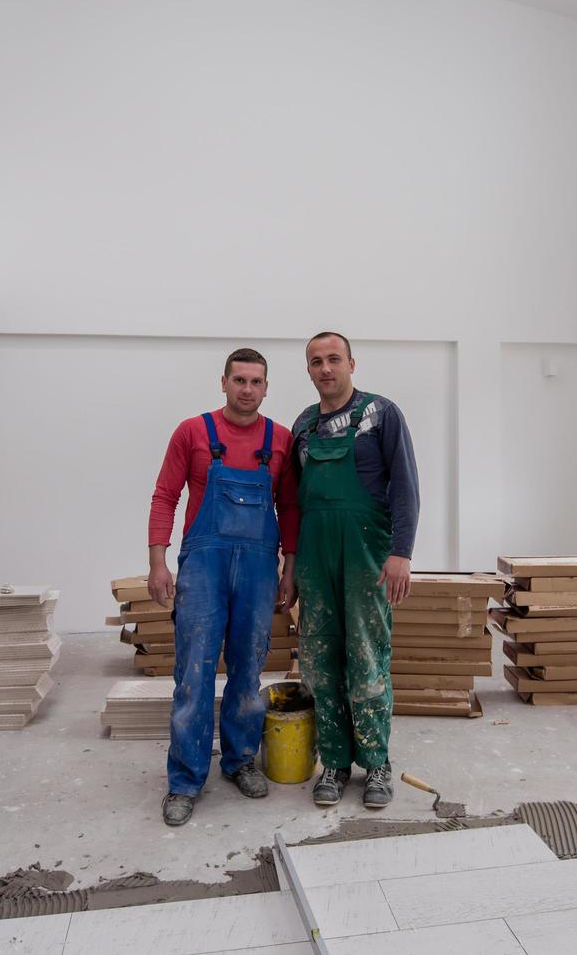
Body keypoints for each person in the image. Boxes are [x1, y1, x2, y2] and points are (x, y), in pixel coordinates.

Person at [147, 348, 299, 826]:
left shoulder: (281, 439)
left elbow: (291, 508)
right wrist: (158, 563)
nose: (247, 389)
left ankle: (239, 761)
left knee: (248, 672)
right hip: (203, 566)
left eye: (256, 381)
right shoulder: (193, 432)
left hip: (258, 569)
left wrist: (288, 569)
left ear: (267, 387)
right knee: (193, 673)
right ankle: (185, 779)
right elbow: (165, 495)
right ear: (224, 382)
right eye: (239, 380)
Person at [291, 331, 419, 808]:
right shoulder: (302, 426)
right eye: (316, 361)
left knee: (367, 657)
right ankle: (335, 764)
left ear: (351, 363)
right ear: (308, 370)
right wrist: (291, 566)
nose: (326, 368)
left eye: (334, 359)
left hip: (367, 553)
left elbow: (405, 486)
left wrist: (401, 552)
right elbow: (294, 502)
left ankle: (377, 763)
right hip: (315, 555)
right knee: (321, 663)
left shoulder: (380, 414)